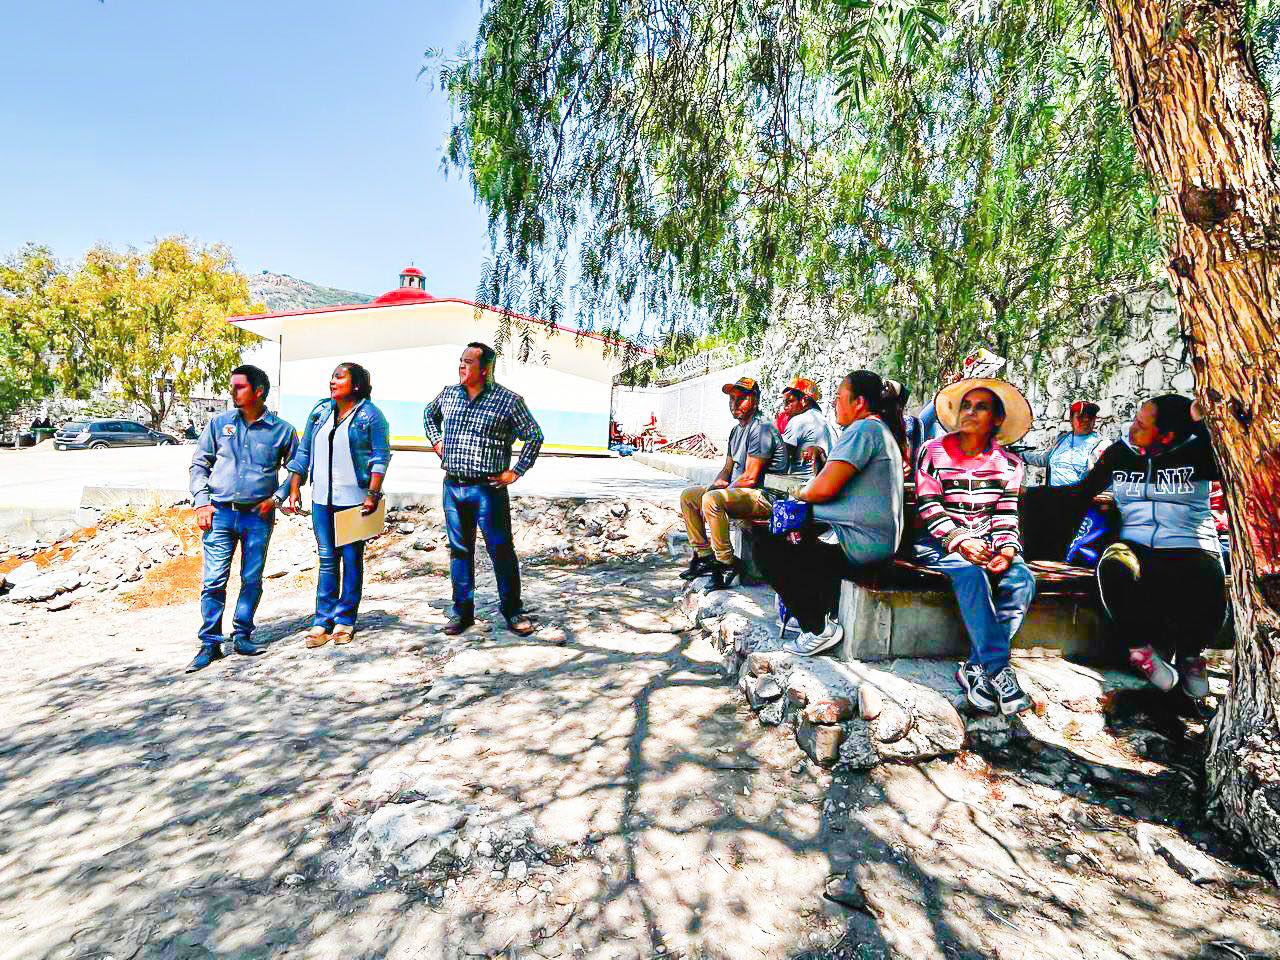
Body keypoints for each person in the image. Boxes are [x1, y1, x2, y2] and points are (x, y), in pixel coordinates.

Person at [1062, 395, 1224, 699]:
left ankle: (1191, 656)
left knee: (1206, 574)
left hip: (1190, 542)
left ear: (1167, 435)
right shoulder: (1120, 453)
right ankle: (1141, 653)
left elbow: (1231, 455)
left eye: (1141, 424)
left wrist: (1201, 421)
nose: (1131, 427)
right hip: (1135, 544)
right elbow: (1080, 492)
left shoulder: (1199, 452)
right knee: (1113, 564)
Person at [754, 371, 906, 655]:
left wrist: (798, 493)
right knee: (795, 536)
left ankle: (817, 627)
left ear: (859, 402)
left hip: (861, 544)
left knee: (767, 546)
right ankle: (817, 611)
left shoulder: (864, 430)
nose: (835, 403)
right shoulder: (876, 431)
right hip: (869, 539)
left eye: (838, 397)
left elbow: (820, 490)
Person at [915, 377, 1036, 715]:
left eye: (980, 407)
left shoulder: (1010, 464)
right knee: (970, 573)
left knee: (1021, 580)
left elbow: (1005, 514)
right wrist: (960, 541)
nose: (969, 412)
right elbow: (930, 506)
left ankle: (975, 666)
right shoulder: (933, 451)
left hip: (988, 543)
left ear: (997, 419)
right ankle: (998, 668)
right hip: (939, 543)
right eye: (966, 406)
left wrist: (1007, 551)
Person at [423, 342, 543, 637]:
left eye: (468, 362)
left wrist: (515, 472)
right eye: (460, 361)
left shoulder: (508, 401)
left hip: (487, 490)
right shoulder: (448, 395)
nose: (461, 366)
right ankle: (462, 612)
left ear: (485, 369)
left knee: (501, 551)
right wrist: (437, 442)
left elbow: (534, 436)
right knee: (459, 551)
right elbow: (428, 415)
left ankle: (513, 611)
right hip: (453, 486)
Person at [187, 365, 298, 673]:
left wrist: (276, 499)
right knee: (213, 581)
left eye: (239, 387)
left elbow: (298, 468)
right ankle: (210, 642)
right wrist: (201, 503)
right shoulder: (218, 425)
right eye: (232, 386)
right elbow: (199, 464)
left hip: (257, 517)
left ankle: (243, 634)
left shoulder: (281, 430)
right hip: (219, 514)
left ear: (258, 391)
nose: (232, 392)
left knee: (251, 578)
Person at [285, 363, 392, 648]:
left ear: (356, 385)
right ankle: (322, 620)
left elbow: (381, 457)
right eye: (332, 376)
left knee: (352, 560)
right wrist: (295, 486)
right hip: (322, 500)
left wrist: (372, 493)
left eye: (339, 377)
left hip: (354, 501)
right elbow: (304, 450)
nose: (332, 381)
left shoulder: (370, 416)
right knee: (327, 560)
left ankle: (345, 619)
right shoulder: (320, 411)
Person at [678, 376, 788, 589]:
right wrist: (713, 487)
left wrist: (715, 495)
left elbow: (751, 477)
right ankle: (704, 556)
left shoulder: (761, 428)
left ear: (754, 401)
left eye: (741, 398)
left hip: (765, 496)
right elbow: (727, 470)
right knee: (690, 496)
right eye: (731, 399)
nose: (734, 404)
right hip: (743, 493)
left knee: (712, 500)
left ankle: (727, 563)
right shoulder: (736, 431)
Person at [1022, 400, 1109, 486]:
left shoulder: (1101, 444)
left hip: (1078, 497)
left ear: (1094, 420)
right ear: (1071, 419)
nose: (1086, 420)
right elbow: (1045, 460)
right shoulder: (1062, 439)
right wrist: (1020, 455)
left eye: (1090, 417)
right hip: (1052, 495)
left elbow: (1104, 478)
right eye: (1080, 417)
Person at [778, 377, 834, 476]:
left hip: (801, 483)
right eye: (784, 402)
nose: (785, 407)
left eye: (790, 401)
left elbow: (779, 457)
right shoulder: (827, 423)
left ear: (805, 401)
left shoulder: (799, 420)